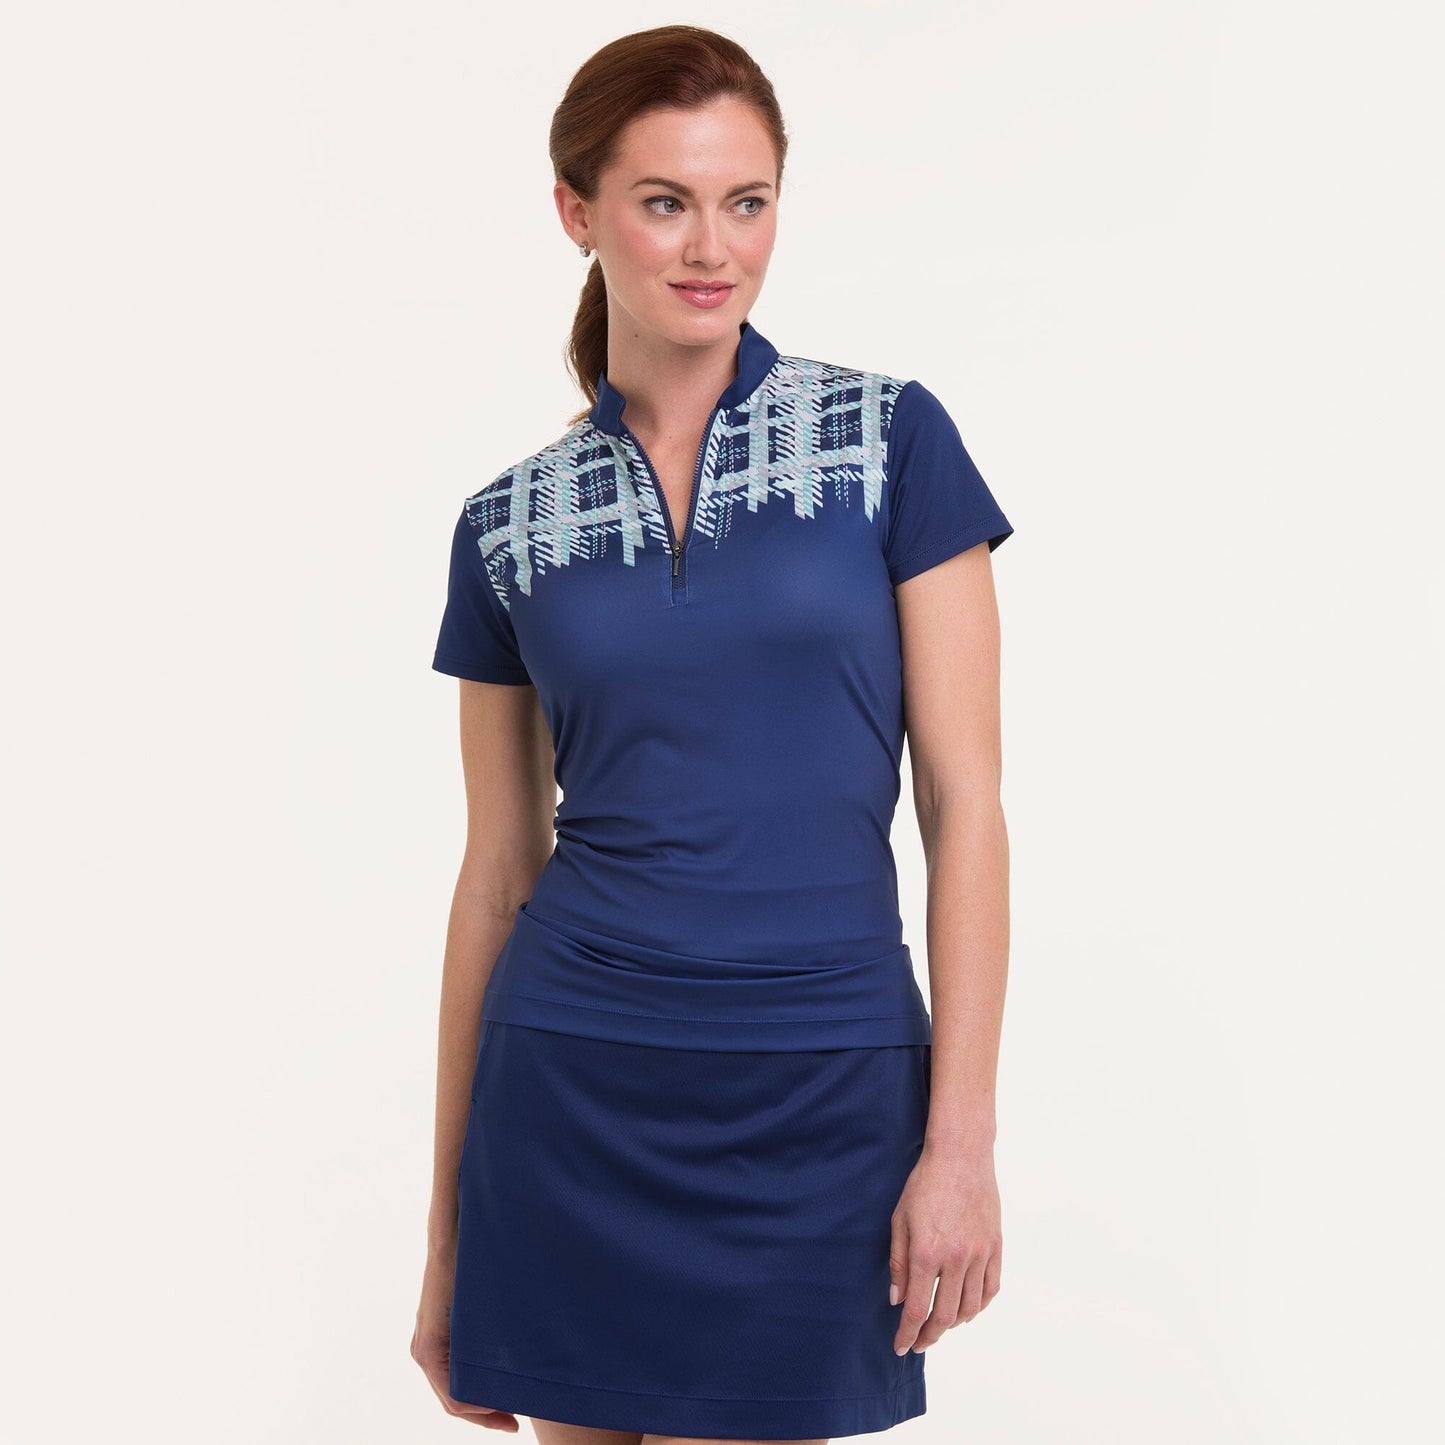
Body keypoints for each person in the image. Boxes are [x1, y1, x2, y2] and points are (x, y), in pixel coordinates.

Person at [412, 24, 1012, 1445]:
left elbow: (965, 807)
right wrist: (446, 1239)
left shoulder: (889, 442)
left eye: (747, 201)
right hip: (571, 1090)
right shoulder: (508, 522)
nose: (712, 246)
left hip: (823, 1090)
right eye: (664, 201)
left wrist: (961, 1144)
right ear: (577, 213)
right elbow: (496, 874)